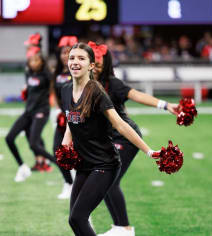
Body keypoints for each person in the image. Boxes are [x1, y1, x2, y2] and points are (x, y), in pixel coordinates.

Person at [60, 43, 159, 236]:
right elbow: (70, 122)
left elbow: (121, 125)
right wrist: (65, 146)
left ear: (91, 65)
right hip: (84, 164)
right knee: (75, 219)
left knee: (78, 218)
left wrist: (149, 151)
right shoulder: (65, 90)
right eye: (72, 58)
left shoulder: (96, 92)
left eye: (81, 58)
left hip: (104, 165)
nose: (75, 62)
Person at [87, 41, 178, 236]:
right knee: (106, 182)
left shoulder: (113, 83)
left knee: (109, 181)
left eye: (99, 64)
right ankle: (120, 228)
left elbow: (136, 95)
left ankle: (125, 229)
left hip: (125, 137)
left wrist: (165, 105)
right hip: (109, 138)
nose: (94, 67)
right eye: (92, 62)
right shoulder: (86, 83)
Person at [5, 48, 55, 182]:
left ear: (42, 61)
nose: (33, 63)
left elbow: (53, 87)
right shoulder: (28, 74)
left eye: (36, 60)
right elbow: (28, 92)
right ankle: (22, 167)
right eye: (31, 60)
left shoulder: (47, 75)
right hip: (28, 111)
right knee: (9, 138)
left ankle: (58, 164)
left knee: (34, 143)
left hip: (41, 112)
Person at [52, 36, 78, 199]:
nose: (65, 55)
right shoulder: (58, 72)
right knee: (57, 151)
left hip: (77, 118)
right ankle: (68, 183)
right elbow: (54, 92)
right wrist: (57, 108)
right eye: (63, 52)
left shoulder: (77, 70)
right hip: (63, 119)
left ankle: (86, 188)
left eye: (68, 52)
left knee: (82, 155)